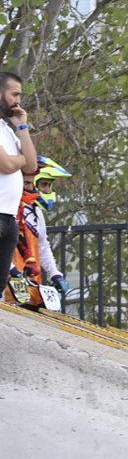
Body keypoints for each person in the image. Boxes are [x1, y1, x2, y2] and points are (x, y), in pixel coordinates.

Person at [5, 156, 73, 309]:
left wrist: (55, 274)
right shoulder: (8, 208)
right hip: (8, 283)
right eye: (43, 185)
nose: (47, 191)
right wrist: (11, 269)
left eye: (49, 186)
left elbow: (43, 246)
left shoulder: (36, 212)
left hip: (30, 284)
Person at [0, 71, 37, 298]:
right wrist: (19, 161)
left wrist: (22, 127)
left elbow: (31, 165)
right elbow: (5, 165)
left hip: (9, 218)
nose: (18, 101)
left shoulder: (7, 130)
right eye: (14, 94)